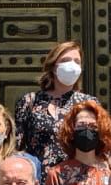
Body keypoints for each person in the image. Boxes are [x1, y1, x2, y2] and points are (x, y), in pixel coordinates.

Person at [12, 41, 97, 175]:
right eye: (66, 60)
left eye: (77, 61)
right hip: (38, 179)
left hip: (75, 179)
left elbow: (100, 144)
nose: (72, 65)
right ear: (53, 66)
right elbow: (18, 145)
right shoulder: (29, 101)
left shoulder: (88, 103)